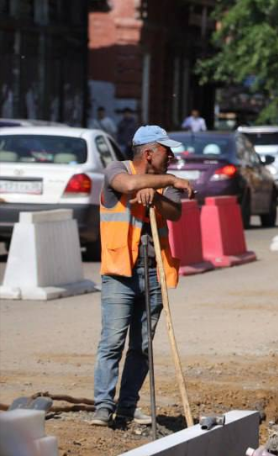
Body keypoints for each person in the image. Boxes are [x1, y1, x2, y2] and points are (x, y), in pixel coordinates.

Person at [91, 126, 194, 428]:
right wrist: (170, 179)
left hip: (152, 272)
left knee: (142, 346)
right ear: (149, 153)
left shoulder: (162, 184)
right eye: (166, 151)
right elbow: (129, 184)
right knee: (112, 342)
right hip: (119, 273)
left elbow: (174, 211)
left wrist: (154, 196)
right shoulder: (116, 170)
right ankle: (102, 406)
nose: (172, 157)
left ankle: (127, 407)